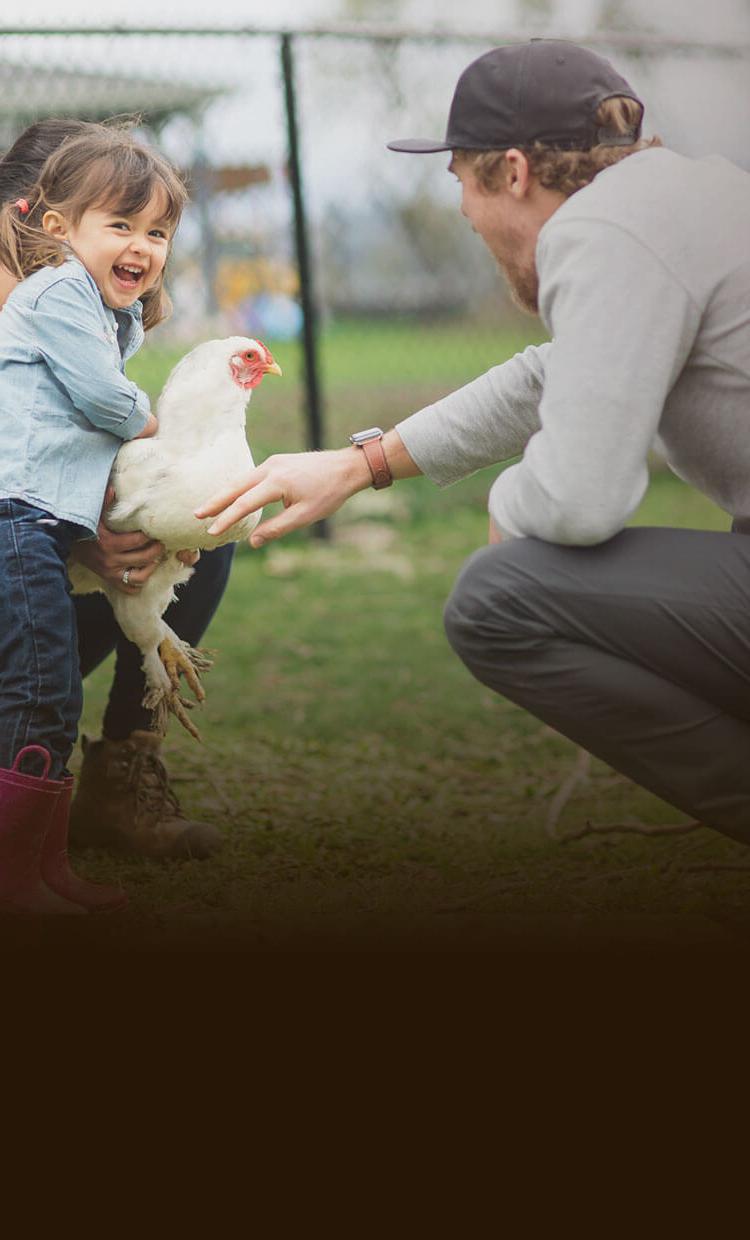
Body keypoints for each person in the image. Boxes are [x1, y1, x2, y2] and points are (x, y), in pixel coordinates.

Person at [196, 38, 750, 847]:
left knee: (498, 599)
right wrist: (361, 465)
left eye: (460, 177)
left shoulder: (604, 231)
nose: (462, 207)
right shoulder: (683, 199)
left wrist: (512, 506)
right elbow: (551, 374)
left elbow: (580, 499)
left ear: (515, 171)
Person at [0, 120, 227, 865]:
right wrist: (69, 527)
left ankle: (122, 773)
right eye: (117, 223)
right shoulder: (55, 300)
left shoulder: (90, 312)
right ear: (37, 218)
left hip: (33, 551)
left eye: (151, 229)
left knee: (189, 523)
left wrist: (106, 524)